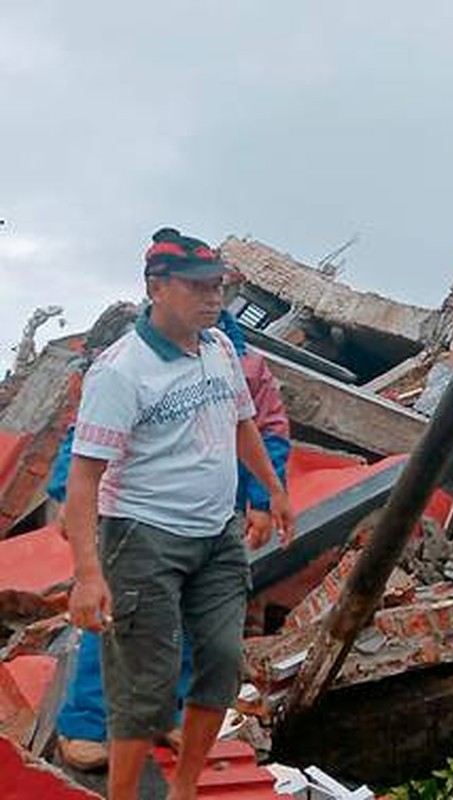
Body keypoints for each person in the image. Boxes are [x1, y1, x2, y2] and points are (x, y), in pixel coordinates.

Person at [64, 227, 293, 800]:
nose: (213, 299)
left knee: (219, 660)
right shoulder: (120, 371)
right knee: (145, 682)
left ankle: (184, 788)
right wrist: (89, 575)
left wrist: (273, 491)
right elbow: (83, 476)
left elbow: (245, 424)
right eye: (199, 288)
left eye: (218, 287)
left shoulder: (219, 349)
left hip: (216, 535)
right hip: (143, 537)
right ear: (158, 288)